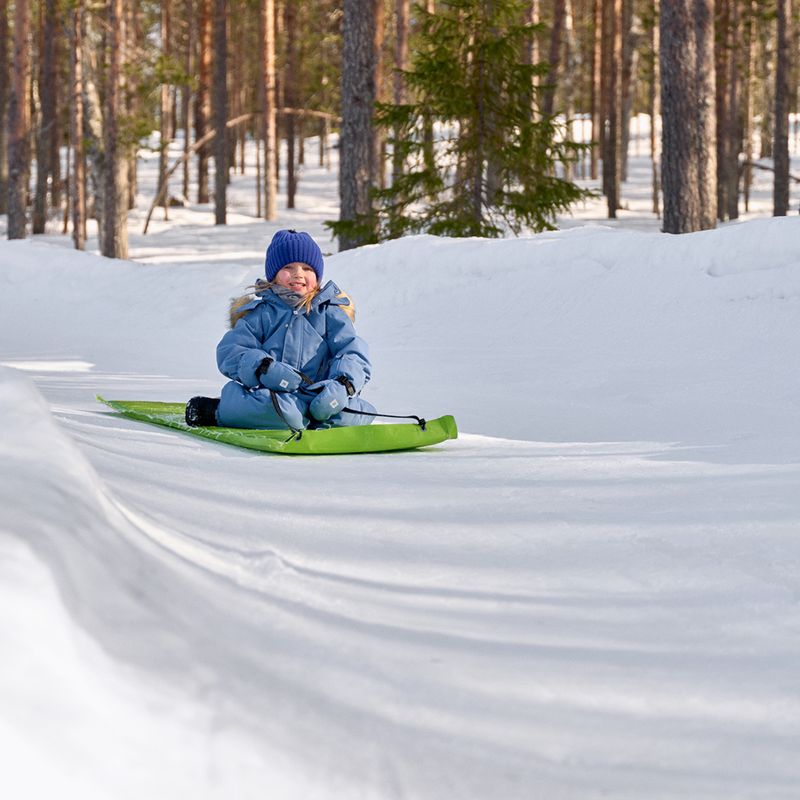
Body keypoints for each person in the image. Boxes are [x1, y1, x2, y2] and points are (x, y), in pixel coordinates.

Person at [185, 229, 375, 431]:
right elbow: (231, 351)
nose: (298, 274)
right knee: (279, 411)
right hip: (272, 395)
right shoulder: (261, 314)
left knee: (353, 413)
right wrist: (263, 367)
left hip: (320, 398)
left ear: (318, 277)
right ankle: (217, 410)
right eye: (288, 267)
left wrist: (343, 385)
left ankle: (309, 418)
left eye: (307, 268)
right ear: (274, 275)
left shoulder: (329, 314)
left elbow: (352, 352)